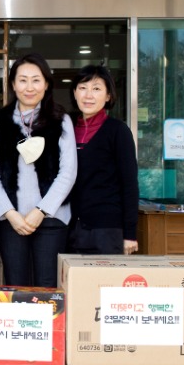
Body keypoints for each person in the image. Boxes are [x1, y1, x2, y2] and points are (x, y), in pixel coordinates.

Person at [0, 53, 77, 286]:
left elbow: (68, 172)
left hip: (52, 219)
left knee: (47, 285)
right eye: (23, 80)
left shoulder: (60, 120)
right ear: (13, 84)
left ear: (46, 84)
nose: (29, 87)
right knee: (16, 283)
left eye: (36, 80)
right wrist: (10, 213)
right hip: (11, 219)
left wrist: (41, 211)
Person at [67, 65, 139, 255]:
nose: (88, 95)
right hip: (69, 227)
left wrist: (130, 234)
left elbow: (129, 185)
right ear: (74, 93)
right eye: (83, 88)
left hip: (106, 229)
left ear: (108, 96)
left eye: (97, 88)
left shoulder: (118, 131)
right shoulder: (66, 129)